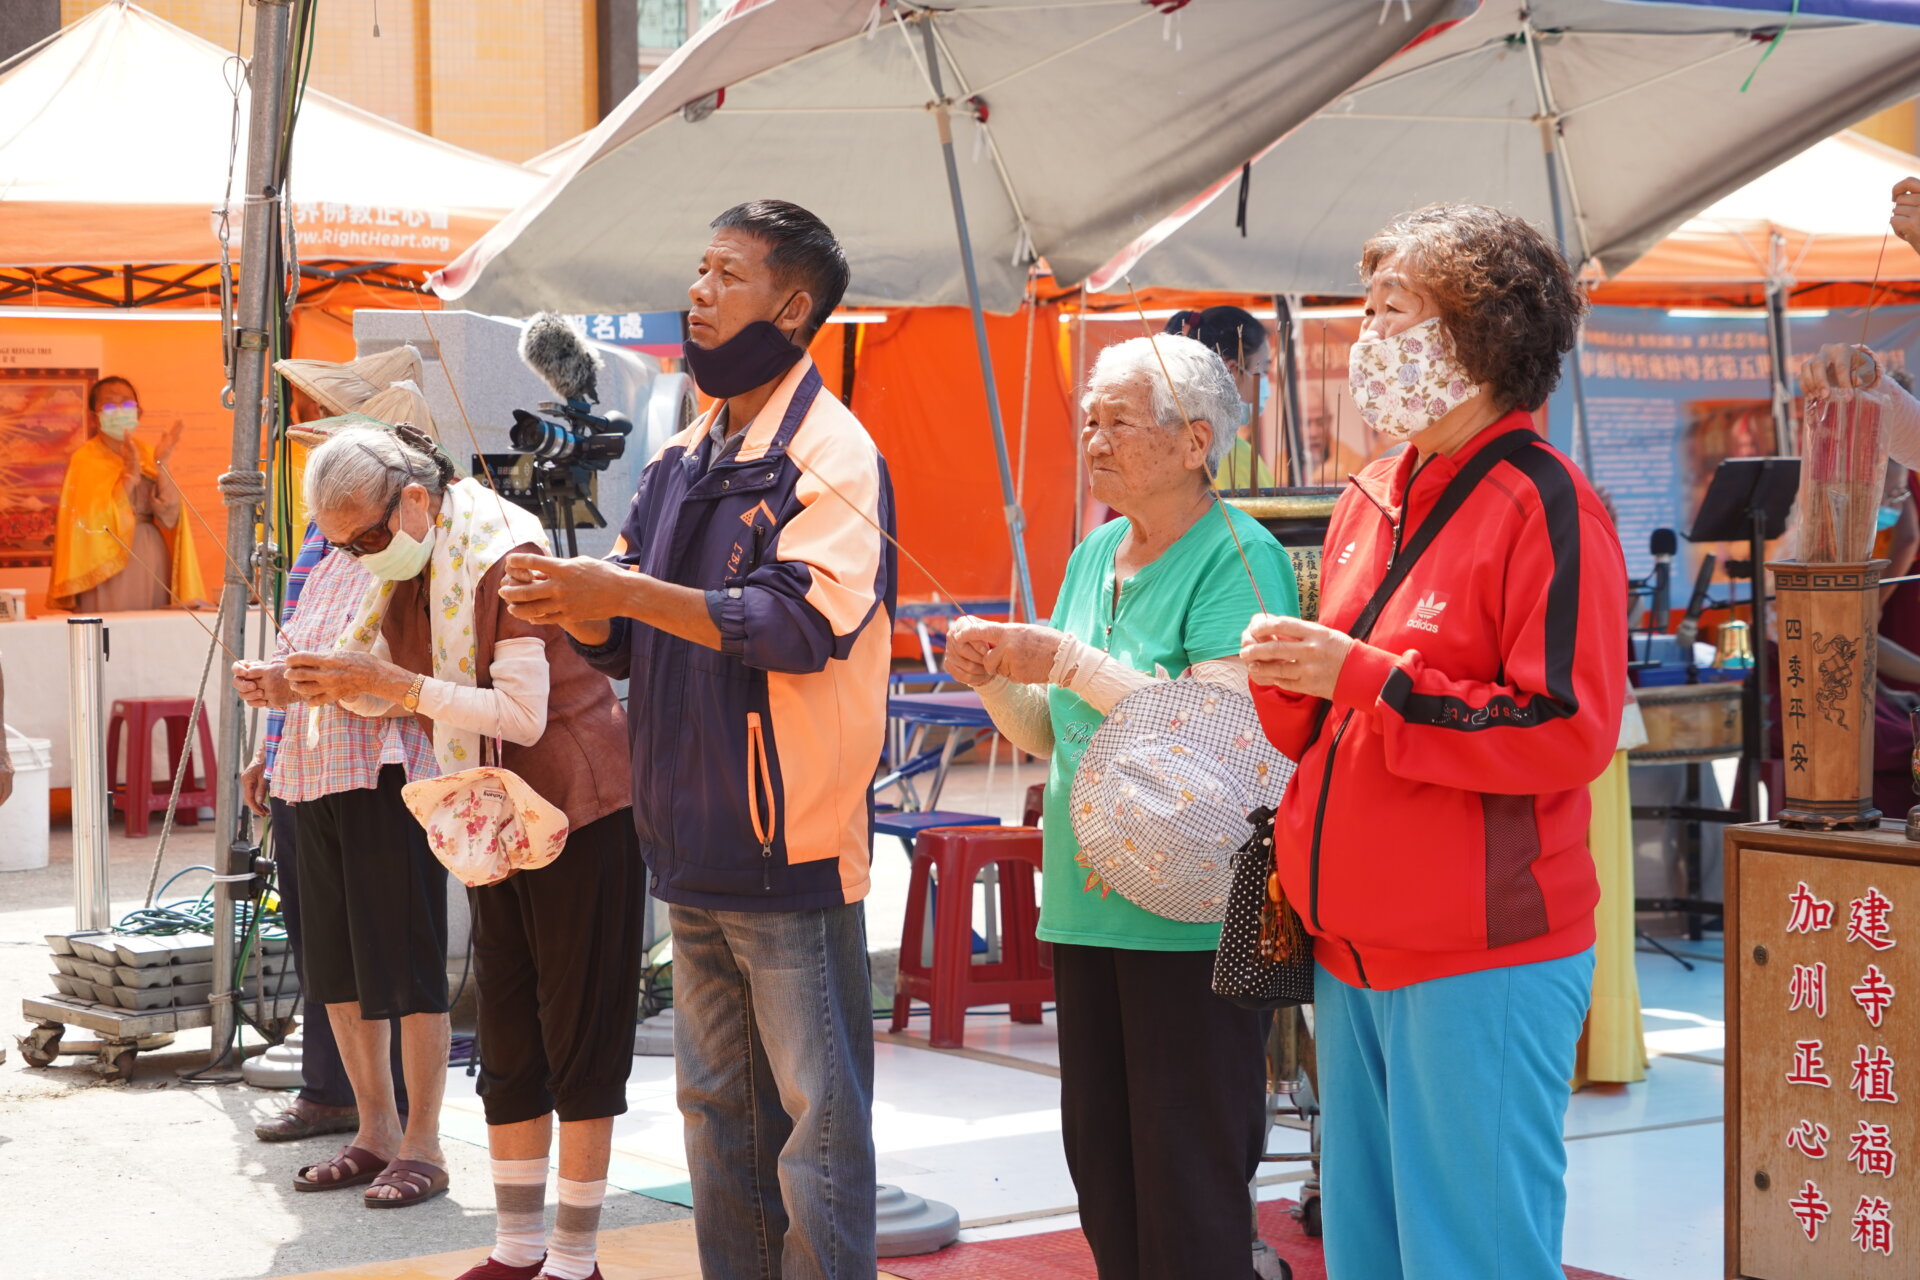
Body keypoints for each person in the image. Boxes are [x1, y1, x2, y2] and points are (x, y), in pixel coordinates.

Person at [495, 200, 892, 1280]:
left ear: (793, 306)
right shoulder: (680, 453)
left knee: (818, 1127)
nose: (699, 293)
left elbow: (794, 625)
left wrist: (619, 589)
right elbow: (625, 635)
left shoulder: (834, 451)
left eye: (728, 274)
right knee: (717, 1109)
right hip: (688, 836)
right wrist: (572, 601)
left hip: (790, 840)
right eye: (699, 269)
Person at [1242, 203, 1627, 1280]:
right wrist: (1287, 675)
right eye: (1366, 313)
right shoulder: (1373, 493)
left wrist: (1363, 676)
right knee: (1371, 1251)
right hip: (1352, 947)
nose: (1365, 340)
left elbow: (1565, 727)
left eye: (1390, 312)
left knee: (1471, 1256)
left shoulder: (1547, 504)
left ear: (1475, 334)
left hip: (1481, 956)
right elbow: (1335, 716)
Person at [944, 333, 1299, 1280]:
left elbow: (1224, 739)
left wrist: (1060, 659)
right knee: (1103, 1172)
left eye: (1119, 422)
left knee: (1190, 1181)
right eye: (1088, 421)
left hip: (1190, 918)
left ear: (1193, 442)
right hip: (1088, 900)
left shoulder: (1241, 556)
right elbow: (1055, 729)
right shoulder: (1097, 549)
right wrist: (991, 677)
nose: (1095, 441)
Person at [283, 423, 641, 1280]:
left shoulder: (504, 552)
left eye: (367, 536)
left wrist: (392, 687)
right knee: (512, 1032)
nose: (361, 556)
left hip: (575, 808)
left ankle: (578, 1258)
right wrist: (343, 685)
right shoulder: (401, 564)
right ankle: (519, 1248)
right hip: (488, 816)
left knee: (579, 1035)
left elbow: (521, 716)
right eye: (343, 544)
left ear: (414, 497)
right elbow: (412, 699)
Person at [231, 526, 445, 1198]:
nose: (333, 518)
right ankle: (375, 1131)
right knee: (336, 968)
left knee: (407, 964)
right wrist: (270, 732)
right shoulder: (318, 552)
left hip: (385, 769)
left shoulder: (414, 548)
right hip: (306, 769)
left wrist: (293, 684)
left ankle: (424, 1143)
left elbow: (388, 671)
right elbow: (294, 648)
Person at [49, 376, 205, 611]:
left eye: (127, 405)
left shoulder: (147, 454)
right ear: (94, 417)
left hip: (149, 550)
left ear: (139, 412)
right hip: (102, 560)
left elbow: (170, 518)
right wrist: (128, 480)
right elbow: (88, 522)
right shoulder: (85, 460)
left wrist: (162, 464)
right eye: (109, 406)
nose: (119, 411)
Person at [1165, 305, 1276, 490]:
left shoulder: (1166, 439)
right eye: (1262, 371)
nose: (1266, 386)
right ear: (1231, 370)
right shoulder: (1229, 452)